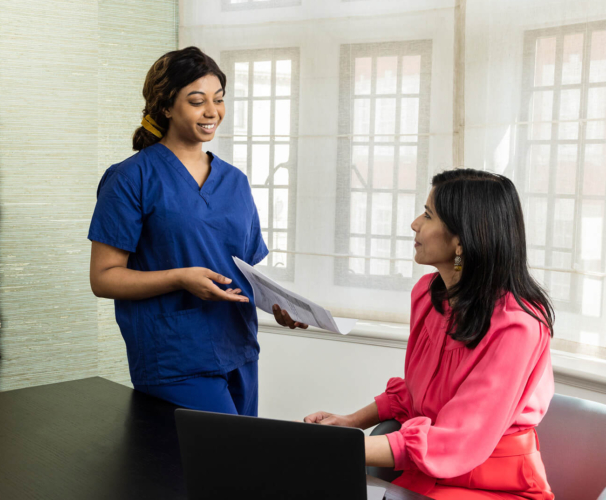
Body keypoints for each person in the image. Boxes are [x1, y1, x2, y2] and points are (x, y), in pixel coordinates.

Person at [277, 169, 555, 499]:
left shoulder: (517, 324)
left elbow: (458, 438)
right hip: (429, 474)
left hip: (497, 485)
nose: (414, 224)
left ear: (462, 239)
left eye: (427, 214)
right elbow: (419, 394)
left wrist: (340, 446)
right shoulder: (428, 295)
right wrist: (351, 422)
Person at [88, 47, 268, 416]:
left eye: (218, 100)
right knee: (207, 465)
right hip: (172, 355)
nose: (212, 112)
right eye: (197, 101)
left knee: (244, 467)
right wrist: (180, 278)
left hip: (238, 346)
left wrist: (279, 305)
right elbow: (103, 279)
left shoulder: (235, 181)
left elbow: (243, 270)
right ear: (167, 106)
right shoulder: (130, 178)